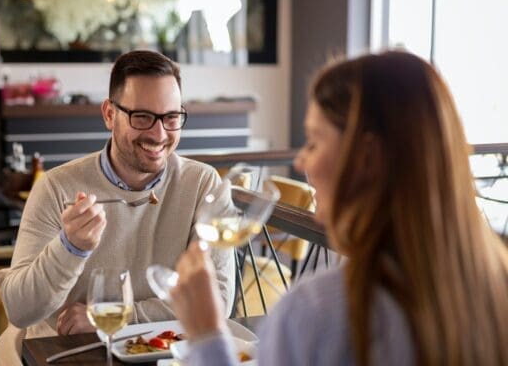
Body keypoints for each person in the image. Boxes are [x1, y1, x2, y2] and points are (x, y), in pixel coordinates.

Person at [169, 51, 508, 365]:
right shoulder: (496, 286)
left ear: (366, 158)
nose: (301, 161)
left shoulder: (315, 314)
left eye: (314, 142)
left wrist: (207, 337)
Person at [0, 50, 236, 364]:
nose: (159, 134)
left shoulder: (203, 185)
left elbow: (218, 298)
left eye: (171, 118)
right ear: (109, 114)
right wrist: (70, 248)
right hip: (68, 356)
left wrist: (111, 316)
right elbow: (19, 309)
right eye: (142, 117)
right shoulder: (55, 188)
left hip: (161, 355)